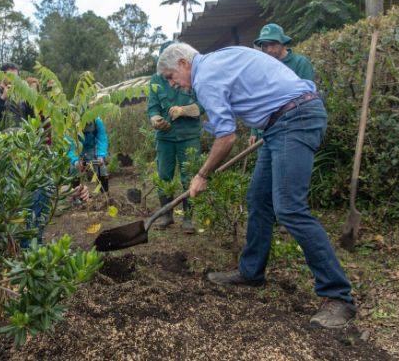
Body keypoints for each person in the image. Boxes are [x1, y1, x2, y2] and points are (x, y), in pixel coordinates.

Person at [156, 43, 356, 329]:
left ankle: (339, 297)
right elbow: (230, 115)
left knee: (289, 208)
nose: (172, 84)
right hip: (281, 122)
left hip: (293, 119)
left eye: (170, 76)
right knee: (259, 199)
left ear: (183, 63)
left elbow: (226, 138)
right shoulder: (219, 59)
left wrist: (202, 174)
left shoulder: (205, 76)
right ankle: (251, 273)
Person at [148, 41, 204, 233]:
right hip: (165, 138)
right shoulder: (156, 80)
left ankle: (188, 218)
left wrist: (185, 110)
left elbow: (204, 104)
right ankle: (167, 215)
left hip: (189, 136)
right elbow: (152, 108)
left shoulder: (192, 74)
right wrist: (155, 120)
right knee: (164, 176)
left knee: (189, 175)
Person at [249, 23, 315, 145]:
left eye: (273, 44)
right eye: (265, 46)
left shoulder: (300, 63)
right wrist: (254, 130)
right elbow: (259, 100)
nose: (269, 50)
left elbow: (309, 100)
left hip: (290, 130)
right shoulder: (263, 67)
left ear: (283, 43)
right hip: (264, 133)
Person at [0, 63, 32, 131]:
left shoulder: (21, 93)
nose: (13, 79)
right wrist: (2, 98)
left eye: (16, 77)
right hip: (1, 137)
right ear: (2, 75)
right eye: (10, 76)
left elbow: (31, 116)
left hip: (21, 136)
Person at [68, 117, 110, 193]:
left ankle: (105, 195)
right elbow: (69, 145)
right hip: (76, 149)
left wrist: (101, 155)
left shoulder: (97, 121)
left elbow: (102, 138)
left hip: (91, 148)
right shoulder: (70, 122)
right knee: (74, 170)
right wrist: (75, 161)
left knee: (102, 169)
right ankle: (76, 195)